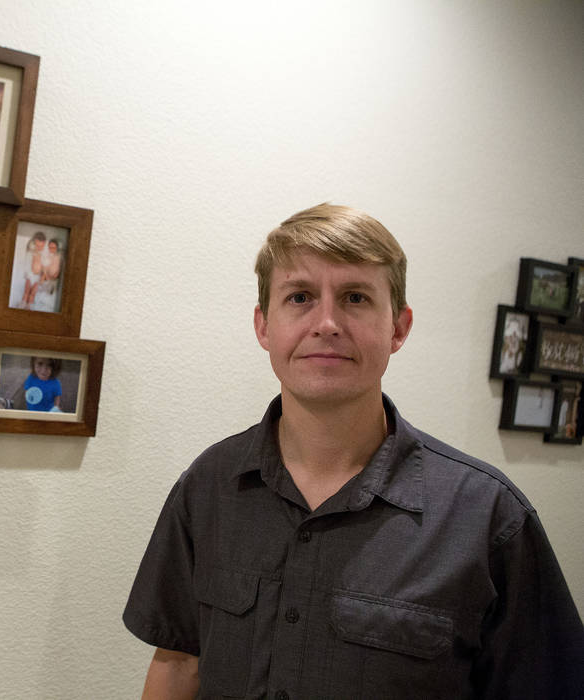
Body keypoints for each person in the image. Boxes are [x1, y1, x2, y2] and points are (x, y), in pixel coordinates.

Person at [123, 203, 584, 699]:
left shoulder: (489, 516)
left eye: (356, 298)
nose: (326, 322)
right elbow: (177, 662)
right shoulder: (209, 484)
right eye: (300, 297)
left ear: (398, 328)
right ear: (263, 326)